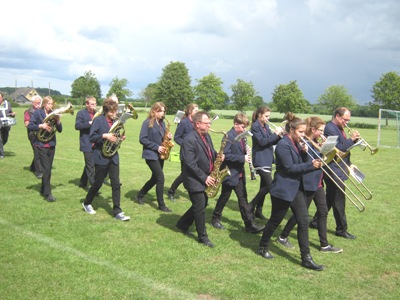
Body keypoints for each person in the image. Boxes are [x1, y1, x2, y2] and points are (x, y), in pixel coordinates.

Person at [257, 112, 325, 271]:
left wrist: (303, 152)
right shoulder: (283, 145)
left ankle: (306, 258)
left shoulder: (296, 144)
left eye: (304, 132)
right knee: (275, 220)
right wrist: (310, 165)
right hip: (283, 189)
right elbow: (289, 168)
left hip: (297, 189)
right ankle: (263, 246)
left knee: (303, 221)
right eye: (301, 132)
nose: (303, 135)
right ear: (292, 130)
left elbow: (298, 163)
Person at [277, 116, 343, 253]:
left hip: (318, 182)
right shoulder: (303, 142)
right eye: (320, 130)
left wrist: (327, 148)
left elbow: (324, 160)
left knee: (323, 211)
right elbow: (304, 162)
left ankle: (324, 245)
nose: (322, 134)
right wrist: (310, 151)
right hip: (307, 183)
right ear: (313, 129)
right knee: (300, 215)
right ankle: (283, 236)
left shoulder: (316, 142)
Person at [210, 112, 264, 234]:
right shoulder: (229, 136)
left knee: (243, 199)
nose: (245, 129)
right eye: (243, 127)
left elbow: (240, 151)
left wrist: (247, 151)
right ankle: (215, 218)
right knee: (225, 196)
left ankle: (249, 225)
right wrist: (242, 158)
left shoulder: (241, 136)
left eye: (245, 127)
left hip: (239, 173)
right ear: (235, 124)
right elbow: (226, 155)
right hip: (229, 173)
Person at [310, 107, 360, 239]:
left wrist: (349, 162)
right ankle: (341, 229)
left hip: (339, 167)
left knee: (331, 198)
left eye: (348, 120)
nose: (346, 123)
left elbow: (343, 148)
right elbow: (340, 148)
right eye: (345, 120)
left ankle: (315, 221)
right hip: (332, 168)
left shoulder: (338, 128)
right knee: (339, 199)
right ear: (337, 116)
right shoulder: (330, 128)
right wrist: (352, 139)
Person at [81, 97, 130, 221]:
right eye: (112, 112)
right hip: (101, 156)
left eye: (115, 112)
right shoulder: (98, 120)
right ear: (107, 111)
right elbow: (92, 137)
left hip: (113, 156)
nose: (114, 114)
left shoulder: (117, 122)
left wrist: (120, 138)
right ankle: (87, 203)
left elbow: (117, 136)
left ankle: (117, 211)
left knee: (116, 183)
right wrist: (105, 136)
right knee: (97, 183)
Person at [176, 111, 219, 247]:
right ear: (198, 124)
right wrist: (205, 177)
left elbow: (211, 152)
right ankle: (203, 237)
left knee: (201, 203)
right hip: (194, 178)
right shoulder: (189, 140)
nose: (209, 125)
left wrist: (218, 156)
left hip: (204, 176)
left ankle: (182, 223)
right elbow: (190, 164)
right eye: (207, 123)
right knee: (200, 206)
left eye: (209, 123)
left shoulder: (207, 137)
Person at [136, 102, 172, 212]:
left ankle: (140, 195)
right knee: (160, 178)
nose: (163, 113)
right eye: (161, 111)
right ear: (154, 111)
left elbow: (162, 138)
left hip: (160, 155)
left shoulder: (162, 124)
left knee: (155, 178)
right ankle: (161, 205)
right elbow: (142, 139)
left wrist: (167, 138)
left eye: (164, 111)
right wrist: (157, 147)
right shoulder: (147, 123)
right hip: (151, 154)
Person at [248, 106, 282, 220]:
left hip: (267, 158)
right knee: (270, 185)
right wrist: (275, 134)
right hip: (260, 159)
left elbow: (271, 141)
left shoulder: (266, 126)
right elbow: (262, 142)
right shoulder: (255, 127)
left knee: (264, 186)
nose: (268, 118)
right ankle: (251, 206)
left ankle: (258, 211)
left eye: (269, 116)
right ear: (260, 115)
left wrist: (280, 136)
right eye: (266, 116)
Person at [27, 96, 62, 202]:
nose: (51, 106)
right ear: (44, 104)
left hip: (51, 144)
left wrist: (58, 121)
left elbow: (60, 130)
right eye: (49, 104)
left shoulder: (53, 114)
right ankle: (48, 194)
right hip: (40, 144)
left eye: (52, 104)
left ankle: (43, 188)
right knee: (46, 169)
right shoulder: (38, 113)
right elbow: (30, 126)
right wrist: (41, 126)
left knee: (48, 168)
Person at [167, 103, 198, 200]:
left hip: (196, 153)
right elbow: (177, 137)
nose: (198, 113)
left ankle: (197, 195)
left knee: (194, 174)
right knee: (184, 174)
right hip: (186, 153)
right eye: (196, 111)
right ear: (190, 111)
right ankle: (171, 191)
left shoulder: (196, 122)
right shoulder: (184, 122)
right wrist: (186, 145)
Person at [75, 96, 97, 189]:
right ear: (87, 104)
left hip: (96, 142)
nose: (94, 106)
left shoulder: (98, 114)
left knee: (92, 163)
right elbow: (77, 126)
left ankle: (83, 182)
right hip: (86, 142)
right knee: (90, 165)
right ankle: (94, 186)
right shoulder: (81, 113)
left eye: (95, 104)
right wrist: (89, 123)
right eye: (92, 104)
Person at [24, 95, 43, 178]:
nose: (38, 104)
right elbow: (27, 124)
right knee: (37, 151)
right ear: (32, 103)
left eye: (39, 103)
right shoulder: (28, 112)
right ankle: (38, 172)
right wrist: (38, 125)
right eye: (37, 103)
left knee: (39, 151)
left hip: (42, 134)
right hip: (33, 134)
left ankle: (32, 166)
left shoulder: (42, 111)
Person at [0, 92, 16, 158]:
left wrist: (13, 114)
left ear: (2, 98)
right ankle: (1, 154)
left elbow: (10, 112)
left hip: (6, 124)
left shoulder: (7, 104)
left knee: (5, 139)